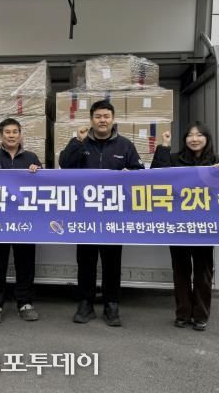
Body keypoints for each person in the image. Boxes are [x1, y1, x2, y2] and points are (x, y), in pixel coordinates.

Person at [59, 100, 144, 327]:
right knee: (85, 261)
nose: (102, 120)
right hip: (85, 214)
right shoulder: (81, 142)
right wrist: (77, 141)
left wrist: (130, 173)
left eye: (106, 116)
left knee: (112, 262)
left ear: (113, 119)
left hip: (113, 215)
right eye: (98, 117)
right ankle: (85, 303)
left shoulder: (125, 145)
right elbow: (64, 165)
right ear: (91, 120)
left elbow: (139, 173)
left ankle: (111, 304)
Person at [151, 122, 219, 331]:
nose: (194, 139)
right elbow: (156, 174)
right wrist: (164, 146)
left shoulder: (217, 163)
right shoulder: (175, 159)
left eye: (199, 135)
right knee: (181, 271)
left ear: (207, 139)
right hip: (178, 225)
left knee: (203, 272)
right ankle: (182, 313)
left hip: (204, 227)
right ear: (184, 140)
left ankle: (201, 315)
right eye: (190, 135)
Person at [0, 118, 42, 324]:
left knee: (25, 263)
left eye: (15, 132)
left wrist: (37, 171)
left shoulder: (31, 157)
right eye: (7, 132)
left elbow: (44, 185)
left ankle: (25, 302)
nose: (11, 135)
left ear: (20, 135)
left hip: (25, 220)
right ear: (1, 135)